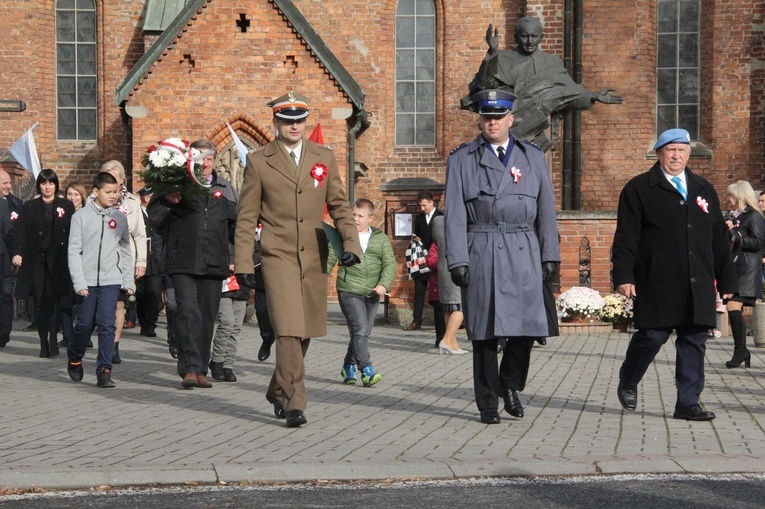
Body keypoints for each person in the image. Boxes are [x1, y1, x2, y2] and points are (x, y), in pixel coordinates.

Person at [234, 91, 361, 428]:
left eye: (299, 120)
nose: (294, 126)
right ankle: (295, 403)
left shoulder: (325, 156)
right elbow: (246, 218)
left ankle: (278, 388)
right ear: (276, 123)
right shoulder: (260, 160)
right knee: (288, 330)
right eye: (287, 120)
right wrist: (244, 263)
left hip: (315, 253)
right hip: (278, 255)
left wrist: (351, 243)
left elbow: (339, 205)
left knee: (305, 330)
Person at [444, 89, 560, 424]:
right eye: (486, 117)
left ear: (511, 119)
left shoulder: (532, 157)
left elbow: (546, 211)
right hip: (482, 248)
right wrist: (457, 260)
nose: (492, 122)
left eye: (499, 117)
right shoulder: (463, 159)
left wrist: (549, 253)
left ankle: (510, 384)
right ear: (480, 119)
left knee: (525, 327)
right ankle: (488, 403)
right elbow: (453, 214)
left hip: (524, 248)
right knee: (484, 332)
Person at [612, 128, 738, 422]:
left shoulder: (703, 188)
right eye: (670, 150)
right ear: (659, 154)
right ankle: (629, 377)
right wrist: (623, 276)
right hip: (657, 278)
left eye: (681, 150)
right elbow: (626, 237)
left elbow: (719, 239)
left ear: (689, 154)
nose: (676, 155)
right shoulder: (640, 188)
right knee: (653, 336)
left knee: (694, 339)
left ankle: (687, 402)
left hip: (698, 279)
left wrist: (728, 280)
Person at [148, 139, 237, 389]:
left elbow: (237, 229)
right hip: (182, 262)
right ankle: (188, 368)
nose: (205, 164)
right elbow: (154, 219)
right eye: (200, 159)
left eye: (209, 159)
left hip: (214, 264)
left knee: (207, 318)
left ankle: (200, 369)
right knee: (188, 312)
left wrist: (242, 260)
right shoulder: (176, 186)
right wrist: (168, 201)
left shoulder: (226, 189)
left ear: (215, 160)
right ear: (191, 160)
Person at [462, 17, 622, 150]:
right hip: (504, 129)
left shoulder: (552, 63)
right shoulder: (502, 58)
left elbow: (566, 93)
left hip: (536, 129)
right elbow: (485, 86)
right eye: (525, 36)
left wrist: (593, 96)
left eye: (534, 36)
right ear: (516, 37)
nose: (530, 41)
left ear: (541, 37)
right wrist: (492, 53)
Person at [66, 172, 134, 387]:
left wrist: (128, 280)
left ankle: (104, 369)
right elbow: (74, 251)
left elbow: (125, 251)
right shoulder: (80, 217)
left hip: (110, 280)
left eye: (116, 192)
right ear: (96, 192)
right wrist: (79, 282)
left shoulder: (119, 217)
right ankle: (75, 356)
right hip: (86, 281)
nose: (113, 196)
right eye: (108, 192)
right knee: (84, 324)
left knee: (107, 324)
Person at [328, 198, 394, 387]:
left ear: (370, 218)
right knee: (360, 330)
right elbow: (329, 260)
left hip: (372, 292)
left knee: (363, 333)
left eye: (360, 216)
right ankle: (366, 370)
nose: (355, 219)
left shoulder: (380, 238)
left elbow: (389, 263)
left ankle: (348, 366)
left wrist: (383, 284)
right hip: (349, 289)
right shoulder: (344, 236)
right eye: (353, 215)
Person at [12, 169, 75, 358]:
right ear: (39, 185)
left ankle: (54, 340)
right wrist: (17, 252)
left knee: (54, 300)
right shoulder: (30, 206)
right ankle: (43, 342)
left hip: (58, 259)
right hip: (36, 259)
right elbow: (21, 231)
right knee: (39, 300)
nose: (47, 187)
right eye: (44, 183)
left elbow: (73, 232)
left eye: (51, 183)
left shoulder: (66, 205)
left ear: (56, 185)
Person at [101, 160, 147, 364]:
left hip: (124, 258)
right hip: (101, 258)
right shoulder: (94, 200)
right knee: (104, 305)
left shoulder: (132, 203)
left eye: (115, 177)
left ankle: (114, 345)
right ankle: (105, 339)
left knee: (119, 304)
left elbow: (139, 234)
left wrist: (141, 261)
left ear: (121, 180)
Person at [723, 181, 765, 368]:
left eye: (731, 196)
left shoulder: (754, 216)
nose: (728, 199)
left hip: (747, 269)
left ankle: (740, 350)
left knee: (733, 305)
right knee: (732, 306)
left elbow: (757, 243)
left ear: (740, 196)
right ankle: (741, 350)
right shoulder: (733, 215)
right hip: (734, 266)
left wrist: (734, 233)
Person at [403, 191, 443, 332]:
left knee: (439, 292)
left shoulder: (441, 216)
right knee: (419, 290)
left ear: (432, 203)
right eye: (420, 206)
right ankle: (417, 320)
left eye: (424, 205)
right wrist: (416, 238)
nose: (422, 208)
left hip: (436, 258)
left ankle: (443, 321)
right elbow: (417, 233)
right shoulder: (419, 219)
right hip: (421, 259)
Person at [427, 214, 467, 354]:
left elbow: (436, 242)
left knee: (450, 307)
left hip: (443, 269)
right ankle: (447, 339)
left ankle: (453, 343)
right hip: (458, 266)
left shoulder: (438, 221)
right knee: (461, 307)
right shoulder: (460, 220)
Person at [58, 182, 89, 348]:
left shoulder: (86, 214)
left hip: (83, 262)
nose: (73, 198)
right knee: (66, 301)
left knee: (83, 300)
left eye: (76, 194)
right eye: (69, 194)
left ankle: (84, 334)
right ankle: (67, 335)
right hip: (64, 261)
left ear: (82, 197)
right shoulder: (61, 214)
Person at [136, 187, 164, 338]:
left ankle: (150, 324)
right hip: (140, 257)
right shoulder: (137, 212)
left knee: (153, 291)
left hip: (154, 258)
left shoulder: (156, 212)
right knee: (141, 292)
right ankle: (143, 321)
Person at [0, 169, 23, 348]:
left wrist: (17, 253)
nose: (8, 186)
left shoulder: (16, 203)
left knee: (6, 296)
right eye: (4, 183)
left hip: (8, 259)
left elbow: (13, 232)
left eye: (9, 182)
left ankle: (3, 333)